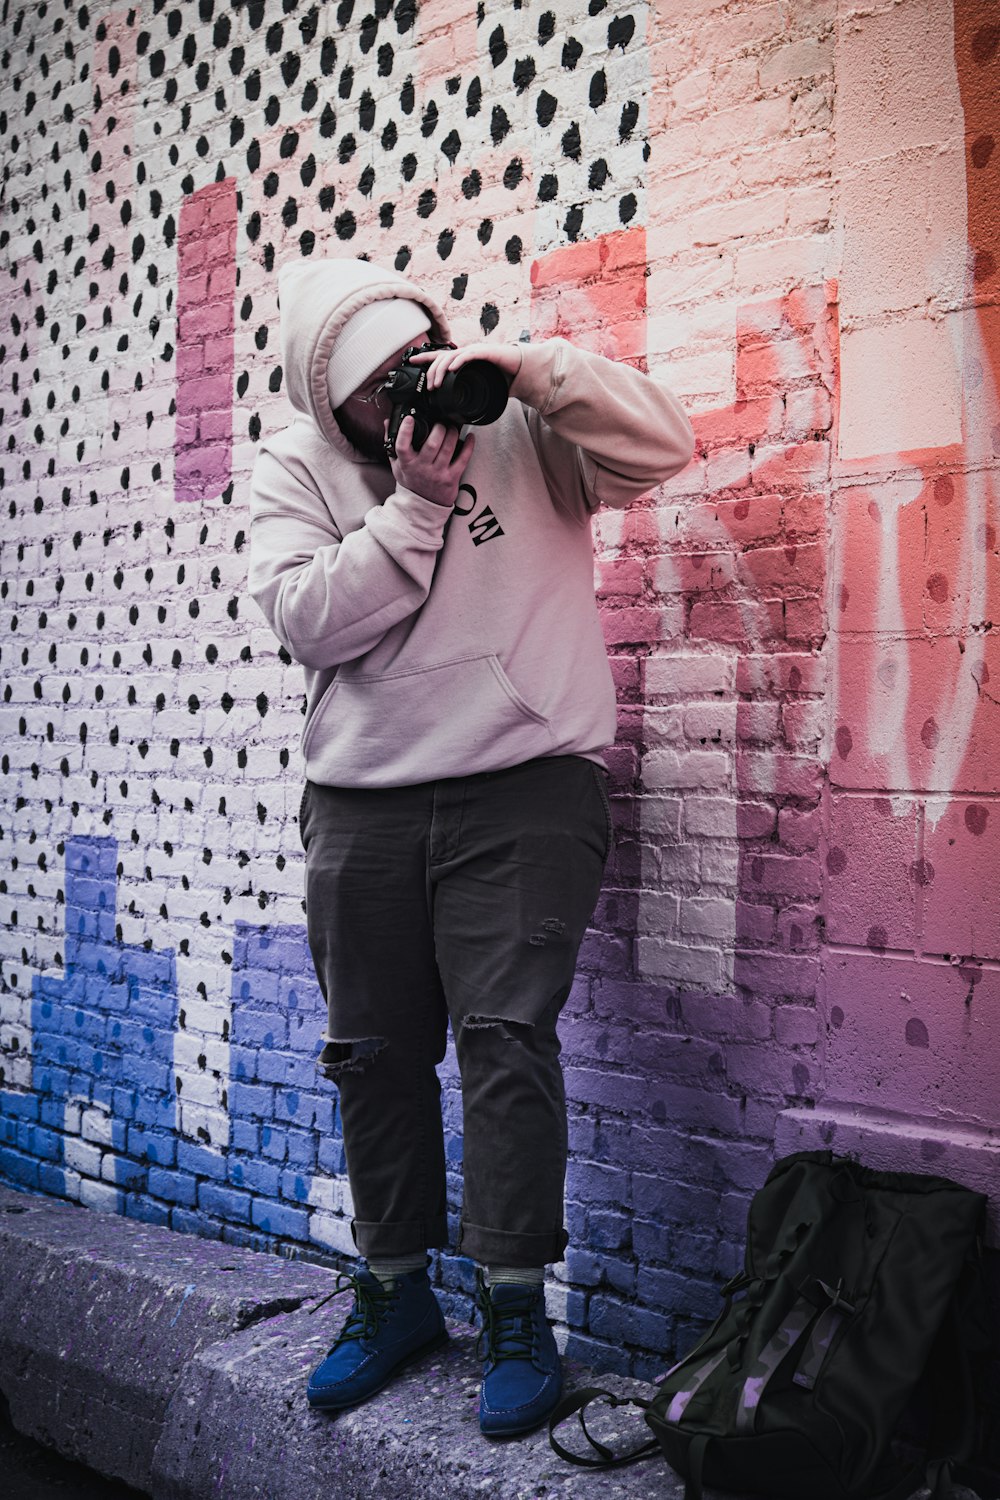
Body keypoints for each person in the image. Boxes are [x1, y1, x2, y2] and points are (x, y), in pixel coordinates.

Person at [247, 256, 695, 1437]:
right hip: (364, 802)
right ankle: (392, 1293)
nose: (406, 402)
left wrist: (532, 370)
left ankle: (513, 1312)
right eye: (375, 391)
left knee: (505, 1045)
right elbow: (306, 620)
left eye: (415, 368)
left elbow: (664, 445)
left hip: (524, 786)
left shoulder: (519, 424)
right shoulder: (295, 469)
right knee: (373, 1056)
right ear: (327, 402)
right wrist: (413, 507)